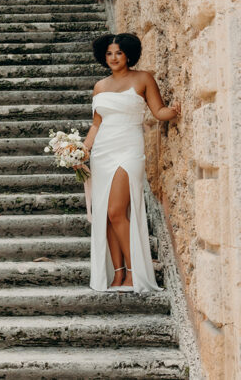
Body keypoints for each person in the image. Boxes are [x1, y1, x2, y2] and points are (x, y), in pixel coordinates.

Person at [82, 33, 179, 292]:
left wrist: (174, 111)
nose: (113, 58)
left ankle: (135, 272)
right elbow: (96, 124)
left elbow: (158, 111)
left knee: (116, 210)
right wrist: (80, 151)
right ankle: (118, 273)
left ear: (129, 55)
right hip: (102, 151)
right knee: (105, 215)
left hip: (128, 149)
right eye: (109, 53)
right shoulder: (100, 86)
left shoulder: (143, 78)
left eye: (119, 53)